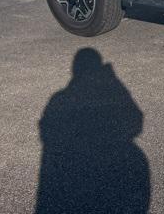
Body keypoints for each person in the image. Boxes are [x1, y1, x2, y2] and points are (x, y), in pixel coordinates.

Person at [34, 48, 150, 213]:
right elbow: (137, 119)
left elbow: (46, 129)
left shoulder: (59, 98)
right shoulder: (112, 87)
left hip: (69, 166)